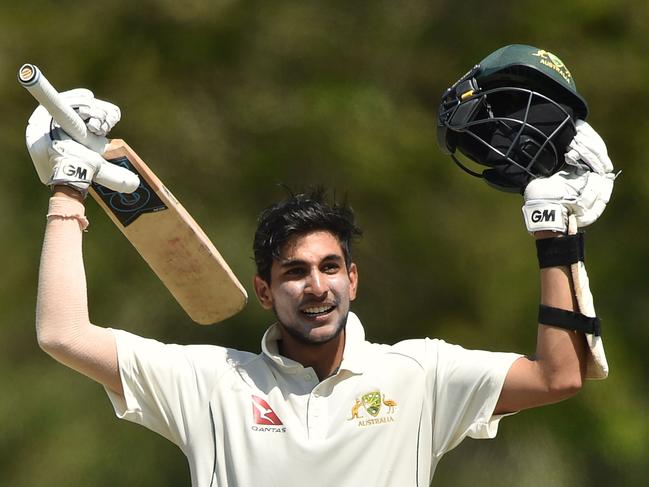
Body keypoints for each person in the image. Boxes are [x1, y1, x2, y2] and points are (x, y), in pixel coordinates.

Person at [28, 46, 616, 486]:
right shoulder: (210, 384)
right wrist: (68, 189)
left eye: (331, 267)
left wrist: (554, 233)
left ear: (352, 280)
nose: (316, 287)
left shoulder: (421, 376)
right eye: (294, 272)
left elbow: (557, 376)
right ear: (264, 289)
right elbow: (62, 334)